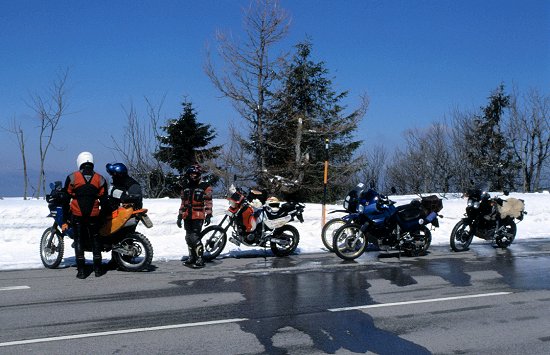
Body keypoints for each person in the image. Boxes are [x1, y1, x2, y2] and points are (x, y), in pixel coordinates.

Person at [64, 152, 108, 279]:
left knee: (78, 240)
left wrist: (66, 217)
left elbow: (66, 198)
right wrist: (102, 216)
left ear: (79, 162)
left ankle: (82, 271)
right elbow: (104, 200)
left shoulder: (72, 177)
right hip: (94, 214)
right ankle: (98, 269)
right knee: (95, 239)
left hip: (77, 213)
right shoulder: (100, 178)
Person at [177, 164, 213, 268]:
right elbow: (183, 203)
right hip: (187, 215)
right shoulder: (185, 187)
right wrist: (179, 216)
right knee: (188, 237)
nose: (193, 176)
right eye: (191, 174)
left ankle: (200, 258)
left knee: (195, 236)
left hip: (198, 215)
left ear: (199, 174)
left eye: (195, 174)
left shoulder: (205, 186)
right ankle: (192, 257)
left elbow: (208, 201)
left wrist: (209, 214)